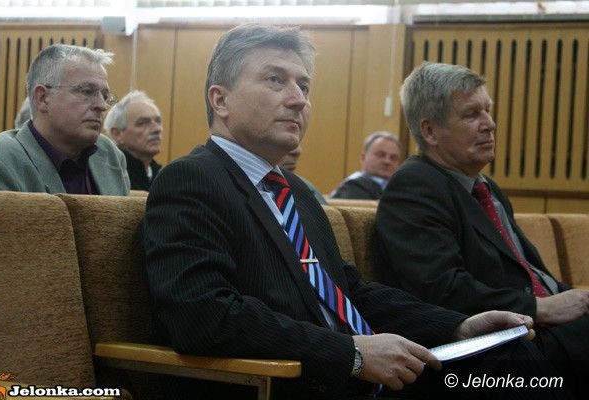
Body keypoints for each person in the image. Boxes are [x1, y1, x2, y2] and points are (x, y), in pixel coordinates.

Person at [144, 25, 569, 400]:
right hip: (290, 382)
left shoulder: (295, 193)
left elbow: (350, 292)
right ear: (220, 100)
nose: (298, 100)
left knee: (507, 353)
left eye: (304, 86)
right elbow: (203, 315)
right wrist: (349, 353)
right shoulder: (193, 180)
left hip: (355, 375)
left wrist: (458, 326)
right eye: (276, 80)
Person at [375, 61, 589, 397]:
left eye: (487, 110)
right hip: (491, 350)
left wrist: (573, 299)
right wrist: (542, 307)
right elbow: (442, 288)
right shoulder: (415, 186)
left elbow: (526, 272)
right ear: (430, 131)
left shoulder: (485, 187)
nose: (490, 123)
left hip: (536, 335)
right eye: (472, 114)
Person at [0, 44, 129, 195]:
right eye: (87, 92)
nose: (102, 105)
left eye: (105, 96)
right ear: (43, 98)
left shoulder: (110, 154)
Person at [104, 90, 163, 191]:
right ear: (117, 134)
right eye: (143, 123)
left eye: (158, 121)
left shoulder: (163, 177)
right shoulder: (108, 176)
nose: (157, 129)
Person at [330, 131, 401, 200]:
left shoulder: (399, 189)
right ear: (363, 158)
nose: (387, 161)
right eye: (381, 155)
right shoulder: (353, 187)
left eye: (393, 158)